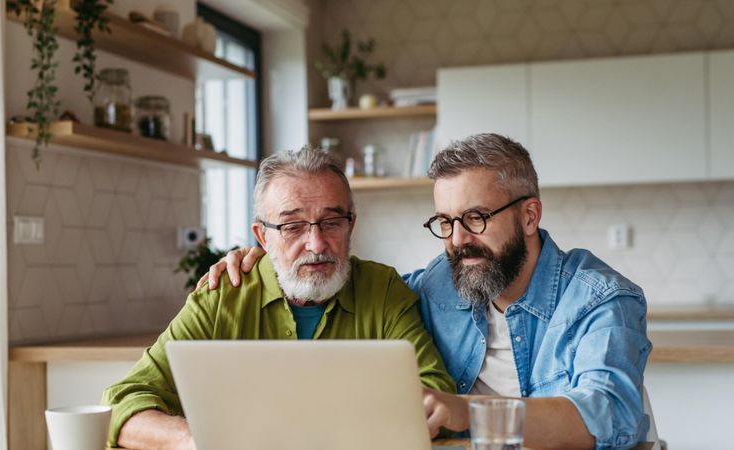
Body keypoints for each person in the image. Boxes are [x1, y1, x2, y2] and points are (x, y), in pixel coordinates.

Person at [203, 134, 652, 450]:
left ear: (530, 215)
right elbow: (350, 283)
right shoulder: (438, 281)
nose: (458, 240)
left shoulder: (600, 299)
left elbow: (609, 414)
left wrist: (467, 413)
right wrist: (272, 256)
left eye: (476, 217)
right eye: (445, 222)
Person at [101, 146, 454, 449]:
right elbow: (121, 402)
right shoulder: (224, 294)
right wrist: (195, 440)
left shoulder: (383, 288)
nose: (316, 245)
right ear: (262, 236)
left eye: (331, 223)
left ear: (351, 225)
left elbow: (434, 392)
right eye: (292, 226)